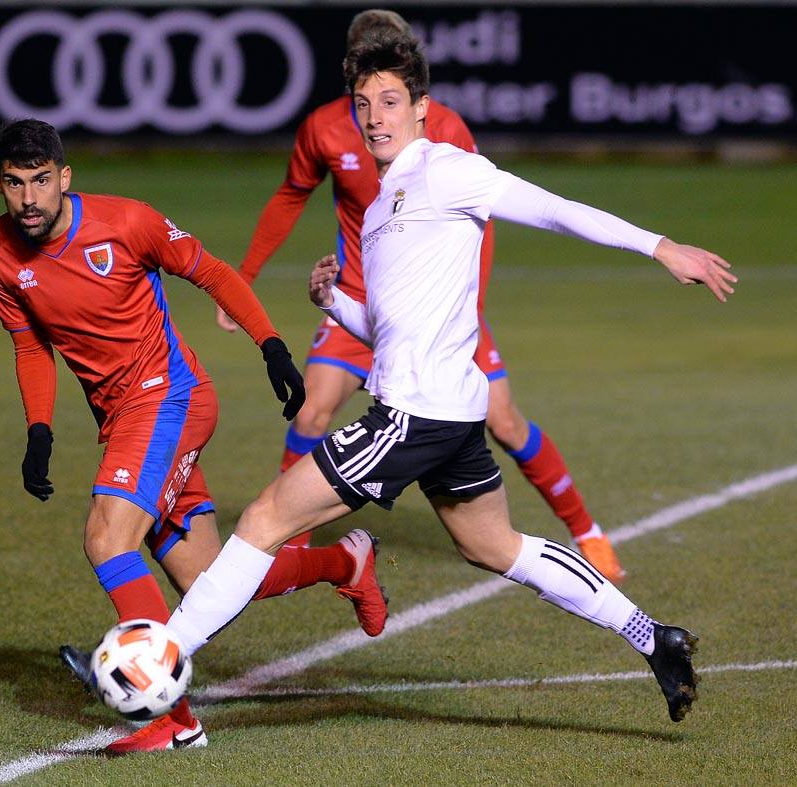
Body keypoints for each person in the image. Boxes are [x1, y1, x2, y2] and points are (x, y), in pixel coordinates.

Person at [165, 30, 737, 724]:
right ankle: (654, 637)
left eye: (389, 101)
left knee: (262, 518)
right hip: (448, 411)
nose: (374, 116)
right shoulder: (380, 206)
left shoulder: (445, 168)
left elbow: (552, 208)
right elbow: (393, 329)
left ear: (420, 109)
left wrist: (659, 246)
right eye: (362, 103)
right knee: (492, 545)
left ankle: (157, 659)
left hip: (414, 415)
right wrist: (334, 303)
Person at [0, 119, 389, 754]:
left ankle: (173, 721)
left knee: (108, 537)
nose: (28, 199)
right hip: (120, 419)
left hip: (170, 397)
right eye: (13, 184)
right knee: (207, 586)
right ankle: (345, 562)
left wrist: (271, 346)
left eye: (39, 182)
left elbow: (213, 273)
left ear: (64, 178)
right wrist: (38, 429)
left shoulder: (126, 222)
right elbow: (30, 344)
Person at [217, 9, 627, 583]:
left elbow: (482, 214)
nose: (376, 108)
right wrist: (244, 277)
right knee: (311, 408)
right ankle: (292, 548)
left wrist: (469, 311)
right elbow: (290, 196)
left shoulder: (445, 128)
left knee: (504, 423)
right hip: (358, 302)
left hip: (440, 313)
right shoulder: (326, 129)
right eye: (364, 87)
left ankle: (587, 532)